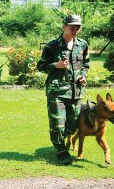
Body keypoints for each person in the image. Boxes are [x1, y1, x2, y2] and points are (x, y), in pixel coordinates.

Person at [36, 14, 89, 165]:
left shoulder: (83, 45)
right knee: (58, 124)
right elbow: (40, 66)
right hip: (57, 91)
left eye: (77, 27)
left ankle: (61, 143)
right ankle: (61, 152)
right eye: (72, 26)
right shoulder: (52, 46)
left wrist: (83, 76)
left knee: (72, 125)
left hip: (75, 92)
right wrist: (55, 65)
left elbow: (85, 64)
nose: (75, 29)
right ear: (64, 26)